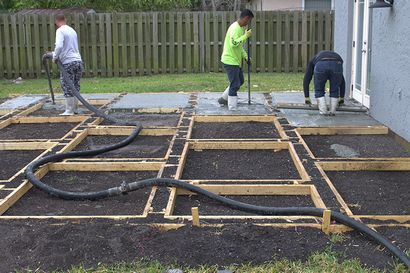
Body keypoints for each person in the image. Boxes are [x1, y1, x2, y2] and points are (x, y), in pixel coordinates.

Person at [218, 9, 254, 110]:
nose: (248, 23)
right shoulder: (235, 28)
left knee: (240, 81)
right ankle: (232, 108)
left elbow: (239, 46)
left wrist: (246, 57)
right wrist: (245, 36)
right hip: (229, 61)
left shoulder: (240, 28)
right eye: (248, 20)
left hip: (235, 61)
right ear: (245, 18)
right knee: (235, 84)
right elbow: (234, 44)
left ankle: (223, 99)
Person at [52, 14, 83, 116]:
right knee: (75, 85)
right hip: (78, 61)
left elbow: (59, 46)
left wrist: (55, 57)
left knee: (67, 85)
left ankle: (69, 111)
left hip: (68, 62)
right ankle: (75, 109)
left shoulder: (60, 30)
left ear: (56, 22)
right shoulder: (72, 30)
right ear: (65, 20)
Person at [303, 50, 346, 115]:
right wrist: (342, 98)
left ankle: (323, 112)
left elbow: (307, 79)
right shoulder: (334, 58)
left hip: (321, 64)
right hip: (337, 63)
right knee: (335, 90)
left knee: (319, 90)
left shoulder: (313, 60)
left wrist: (307, 97)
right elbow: (342, 81)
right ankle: (332, 112)